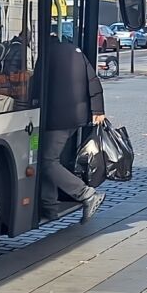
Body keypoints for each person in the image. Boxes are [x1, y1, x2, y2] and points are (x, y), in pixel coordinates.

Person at [40, 25, 107, 224]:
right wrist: (97, 110)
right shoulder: (74, 51)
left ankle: (86, 194)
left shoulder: (44, 54)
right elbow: (93, 81)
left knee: (47, 161)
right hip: (76, 117)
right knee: (46, 158)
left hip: (57, 118)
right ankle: (48, 205)